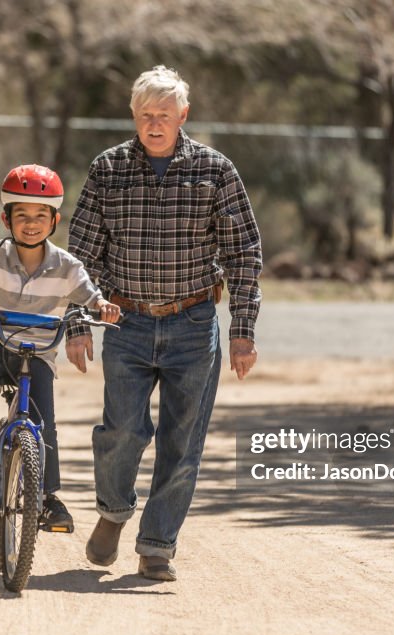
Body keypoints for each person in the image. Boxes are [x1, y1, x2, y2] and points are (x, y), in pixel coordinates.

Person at [66, 65, 262, 580]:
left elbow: (243, 253)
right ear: (134, 115)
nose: (155, 124)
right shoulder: (108, 169)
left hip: (194, 325)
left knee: (183, 441)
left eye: (165, 115)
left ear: (183, 116)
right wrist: (80, 322)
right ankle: (112, 513)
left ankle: (157, 545)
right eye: (146, 114)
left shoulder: (216, 170)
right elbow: (82, 255)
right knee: (122, 431)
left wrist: (243, 331)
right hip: (125, 322)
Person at [0, 164, 121, 533]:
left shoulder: (67, 266)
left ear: (54, 221)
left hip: (38, 352)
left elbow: (91, 296)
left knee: (45, 425)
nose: (31, 223)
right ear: (6, 219)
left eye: (41, 215)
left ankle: (49, 498)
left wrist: (103, 307)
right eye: (21, 215)